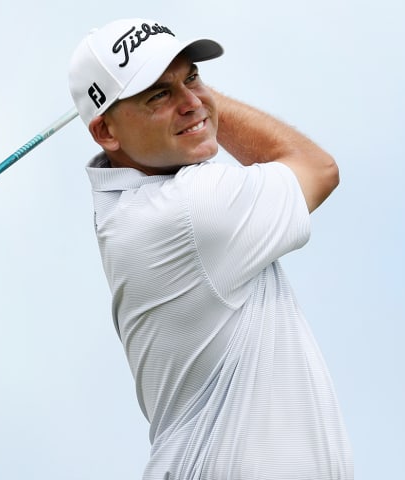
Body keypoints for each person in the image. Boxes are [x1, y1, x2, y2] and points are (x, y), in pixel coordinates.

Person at [69, 18, 353, 479]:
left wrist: (188, 103)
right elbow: (317, 168)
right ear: (105, 134)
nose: (190, 102)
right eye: (158, 94)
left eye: (193, 77)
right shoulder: (192, 208)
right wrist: (203, 107)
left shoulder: (131, 206)